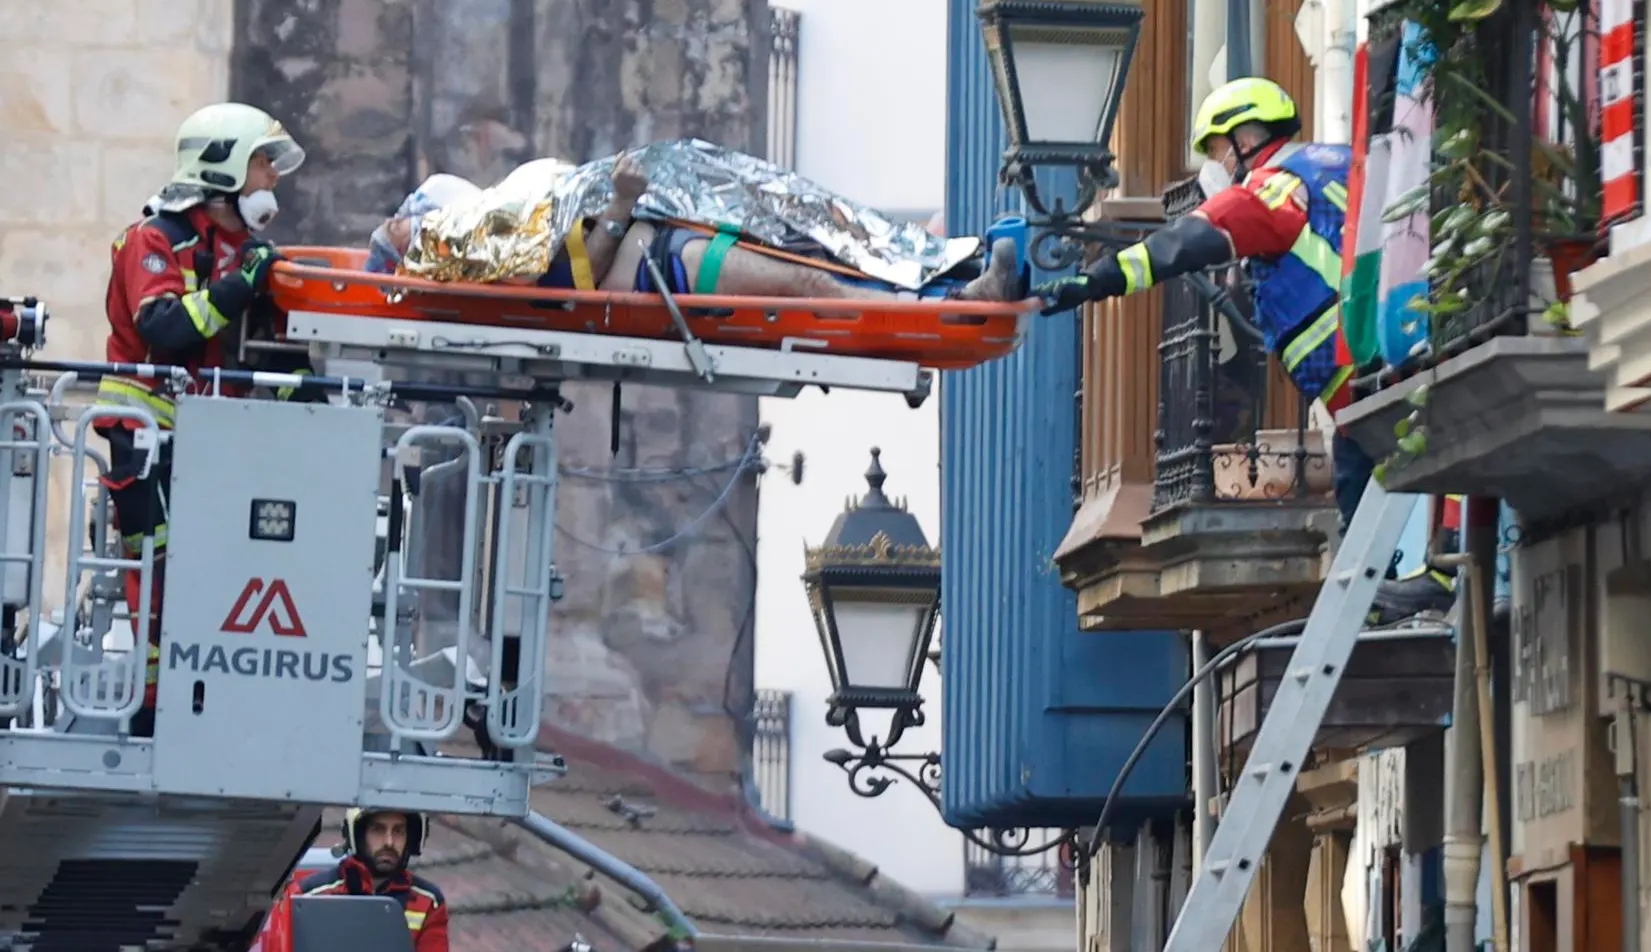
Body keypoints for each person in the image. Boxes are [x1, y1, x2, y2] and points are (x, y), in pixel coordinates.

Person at [1034, 77, 1453, 616]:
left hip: (1360, 357)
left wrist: (1093, 283)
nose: (1216, 166)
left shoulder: (1275, 186)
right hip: (1390, 343)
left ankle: (1406, 585)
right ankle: (1390, 590)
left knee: (1400, 461)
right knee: (1376, 468)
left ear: (1246, 137)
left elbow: (1182, 243)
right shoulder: (1337, 163)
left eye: (1215, 151)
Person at [98, 102, 308, 734]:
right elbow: (161, 325)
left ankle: (217, 697)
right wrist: (238, 287)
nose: (272, 177)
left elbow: (279, 349)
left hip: (220, 442)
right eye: (263, 163)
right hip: (146, 437)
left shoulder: (251, 252)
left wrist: (318, 408)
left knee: (229, 569)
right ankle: (153, 707)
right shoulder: (153, 239)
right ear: (224, 168)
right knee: (159, 571)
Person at [367, 154, 1024, 303]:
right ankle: (949, 302)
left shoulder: (510, 205)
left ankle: (944, 261)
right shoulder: (485, 253)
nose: (394, 221)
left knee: (806, 217)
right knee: (808, 279)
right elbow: (581, 278)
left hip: (676, 224)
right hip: (666, 263)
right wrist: (621, 203)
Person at [278, 808, 449, 952]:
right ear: (358, 835)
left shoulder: (428, 902)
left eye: (398, 831)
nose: (389, 842)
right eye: (378, 829)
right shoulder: (308, 896)